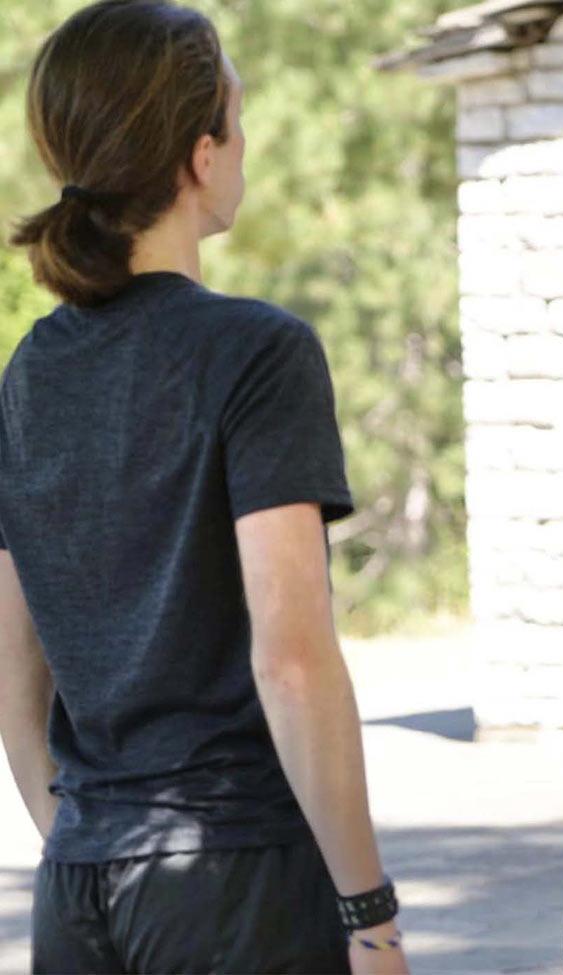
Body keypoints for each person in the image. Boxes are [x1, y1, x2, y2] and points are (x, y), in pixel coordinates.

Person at [0, 2, 407, 973]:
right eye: (238, 108)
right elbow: (294, 660)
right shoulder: (256, 352)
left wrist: (86, 846)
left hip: (80, 885)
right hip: (239, 886)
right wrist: (372, 919)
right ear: (200, 152)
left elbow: (14, 690)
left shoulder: (30, 370)